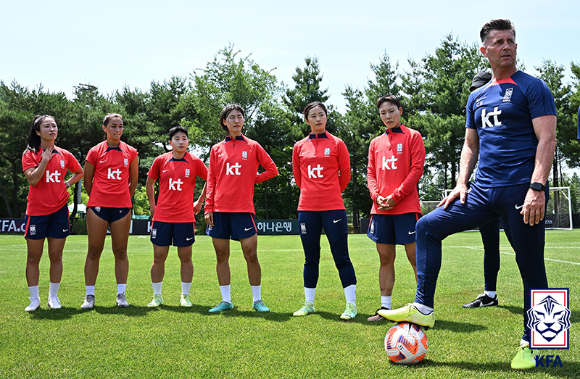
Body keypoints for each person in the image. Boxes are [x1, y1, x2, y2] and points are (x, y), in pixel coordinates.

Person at [378, 19, 557, 370]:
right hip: (482, 191)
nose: (506, 46)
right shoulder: (476, 96)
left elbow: (547, 140)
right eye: (498, 42)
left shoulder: (533, 87)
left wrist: (537, 187)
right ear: (485, 49)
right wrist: (462, 183)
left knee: (531, 265)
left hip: (522, 192)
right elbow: (469, 146)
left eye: (511, 41)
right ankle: (423, 308)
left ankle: (541, 346)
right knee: (429, 225)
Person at [204, 104, 278, 313]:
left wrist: (253, 179)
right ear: (224, 122)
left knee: (251, 253)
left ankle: (257, 300)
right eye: (232, 118)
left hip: (243, 209)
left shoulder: (253, 146)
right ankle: (226, 300)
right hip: (219, 209)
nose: (236, 121)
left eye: (239, 117)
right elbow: (212, 179)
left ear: (243, 121)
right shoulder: (216, 149)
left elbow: (272, 169)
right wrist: (208, 206)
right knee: (221, 255)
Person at [292, 101, 358, 320]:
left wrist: (329, 193)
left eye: (321, 114)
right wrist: (313, 194)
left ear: (326, 117)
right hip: (307, 209)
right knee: (311, 257)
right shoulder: (299, 146)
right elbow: (299, 178)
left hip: (333, 208)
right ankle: (309, 304)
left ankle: (351, 305)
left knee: (341, 255)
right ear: (307, 120)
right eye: (313, 115)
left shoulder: (338, 143)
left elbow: (345, 175)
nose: (318, 119)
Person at [366, 95, 425, 321]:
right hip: (381, 209)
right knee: (385, 258)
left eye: (391, 111)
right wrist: (376, 196)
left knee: (415, 257)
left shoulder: (413, 136)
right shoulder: (375, 143)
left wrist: (396, 196)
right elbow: (370, 173)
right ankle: (385, 309)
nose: (387, 116)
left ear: (400, 111)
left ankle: (422, 307)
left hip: (406, 208)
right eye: (383, 113)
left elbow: (416, 170)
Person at [22, 115, 83, 311]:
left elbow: (80, 172)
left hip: (59, 211)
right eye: (47, 126)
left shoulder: (65, 154)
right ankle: (34, 300)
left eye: (54, 125)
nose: (52, 129)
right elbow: (33, 180)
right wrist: (44, 161)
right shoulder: (30, 154)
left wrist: (67, 183)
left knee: (56, 256)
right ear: (38, 131)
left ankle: (53, 297)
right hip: (37, 212)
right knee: (33, 257)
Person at [81, 113, 139, 309]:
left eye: (121, 126)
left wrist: (122, 198)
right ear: (104, 128)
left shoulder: (131, 152)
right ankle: (89, 296)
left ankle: (121, 294)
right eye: (113, 126)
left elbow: (134, 182)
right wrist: (99, 197)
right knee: (94, 250)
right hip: (98, 208)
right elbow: (87, 181)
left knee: (121, 251)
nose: (118, 130)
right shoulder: (95, 151)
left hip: (122, 208)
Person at [145, 126, 207, 307]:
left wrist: (200, 201)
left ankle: (185, 296)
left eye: (184, 138)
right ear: (170, 142)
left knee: (186, 257)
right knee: (158, 257)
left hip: (185, 217)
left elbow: (211, 180)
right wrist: (152, 205)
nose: (181, 141)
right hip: (162, 216)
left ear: (188, 141)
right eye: (177, 138)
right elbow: (150, 182)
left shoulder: (195, 161)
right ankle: (157, 296)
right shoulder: (160, 160)